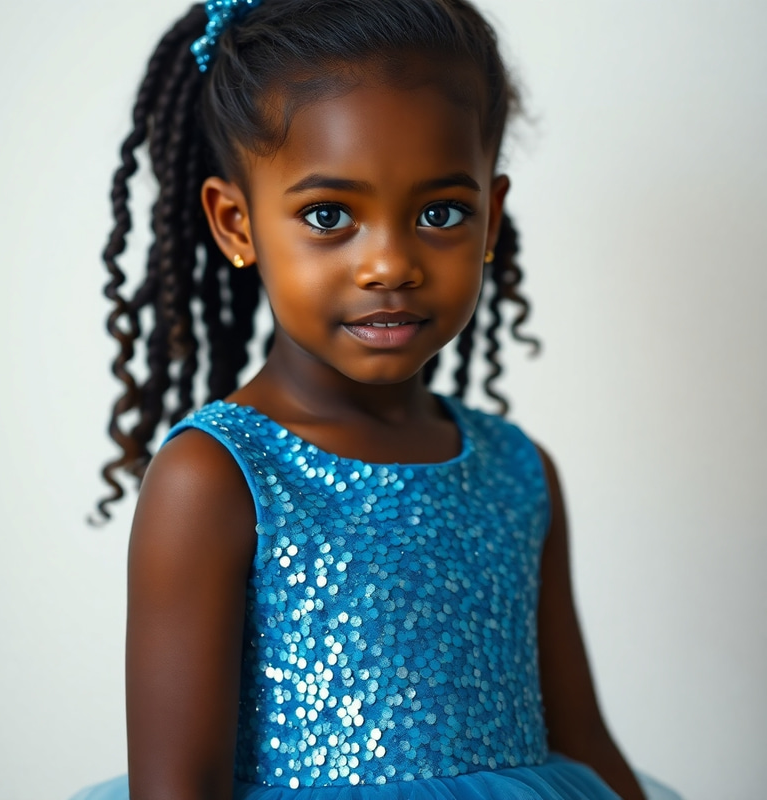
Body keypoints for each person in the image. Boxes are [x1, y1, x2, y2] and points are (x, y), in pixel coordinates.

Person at [77, 1, 681, 798]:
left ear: (491, 218)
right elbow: (177, 787)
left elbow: (582, 737)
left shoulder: (519, 471)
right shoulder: (215, 479)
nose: (390, 263)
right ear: (236, 223)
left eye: (441, 213)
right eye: (329, 216)